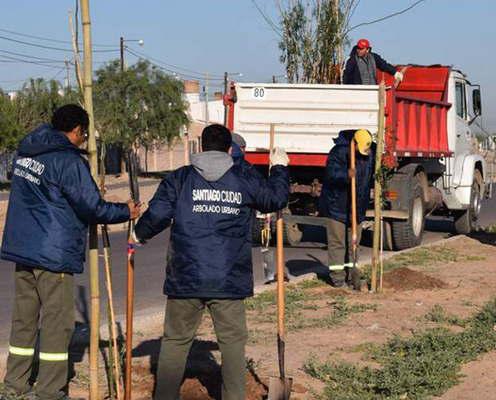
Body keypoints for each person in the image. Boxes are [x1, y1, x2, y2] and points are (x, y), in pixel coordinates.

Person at [133, 124, 289, 400]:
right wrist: (279, 168)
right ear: (230, 149)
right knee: (231, 343)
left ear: (200, 147)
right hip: (228, 279)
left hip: (186, 276)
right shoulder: (244, 177)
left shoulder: (181, 178)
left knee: (175, 342)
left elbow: (157, 214)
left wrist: (138, 234)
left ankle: (165, 396)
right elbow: (274, 199)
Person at [0, 104, 140, 400]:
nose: (84, 140)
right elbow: (91, 207)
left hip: (23, 250)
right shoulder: (67, 161)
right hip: (53, 254)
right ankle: (50, 391)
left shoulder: (28, 150)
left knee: (24, 320)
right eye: (84, 134)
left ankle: (14, 386)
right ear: (77, 131)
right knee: (56, 324)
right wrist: (124, 211)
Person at [319, 129, 374, 287]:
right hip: (337, 206)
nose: (366, 153)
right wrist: (346, 175)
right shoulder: (338, 153)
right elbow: (330, 174)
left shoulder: (368, 153)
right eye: (362, 149)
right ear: (354, 143)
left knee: (354, 243)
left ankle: (353, 276)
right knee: (338, 243)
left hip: (357, 207)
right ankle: (337, 278)